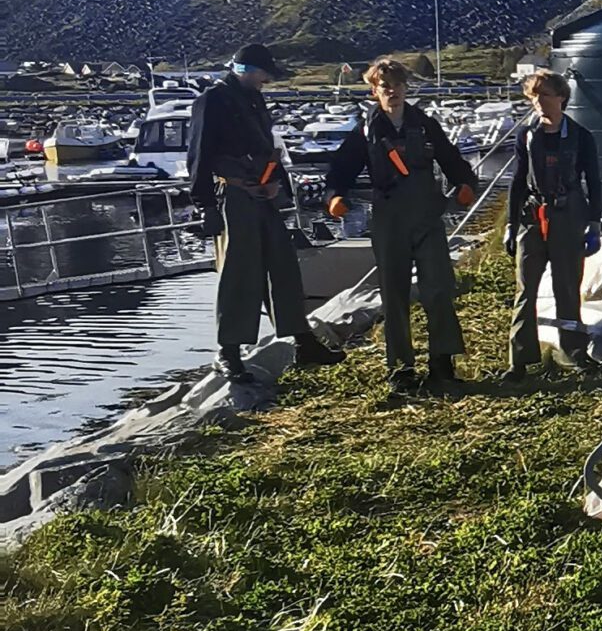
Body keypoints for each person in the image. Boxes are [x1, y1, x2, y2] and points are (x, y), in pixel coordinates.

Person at [186, 43, 345, 381]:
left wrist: (279, 185)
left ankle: (303, 342)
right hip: (234, 197)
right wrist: (205, 206)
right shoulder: (211, 101)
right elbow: (198, 156)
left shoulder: (255, 100)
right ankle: (228, 352)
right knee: (239, 275)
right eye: (263, 74)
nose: (266, 80)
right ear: (245, 70)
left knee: (283, 267)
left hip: (264, 196)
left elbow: (267, 148)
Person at [323, 57, 481, 391]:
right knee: (393, 296)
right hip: (389, 220)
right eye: (385, 86)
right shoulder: (366, 132)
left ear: (406, 88)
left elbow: (452, 160)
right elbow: (340, 170)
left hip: (427, 218)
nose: (392, 91)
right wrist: (335, 197)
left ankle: (443, 364)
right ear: (374, 90)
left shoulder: (424, 124)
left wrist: (465, 185)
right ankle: (401, 370)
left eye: (397, 85)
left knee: (438, 290)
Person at [502, 68, 601, 379]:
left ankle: (574, 353)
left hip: (569, 216)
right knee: (525, 289)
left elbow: (594, 182)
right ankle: (519, 361)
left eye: (545, 95)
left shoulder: (582, 137)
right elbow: (517, 182)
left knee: (568, 288)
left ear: (561, 98)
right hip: (533, 216)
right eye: (534, 96)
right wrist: (511, 224)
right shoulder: (526, 135)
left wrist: (594, 225)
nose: (539, 102)